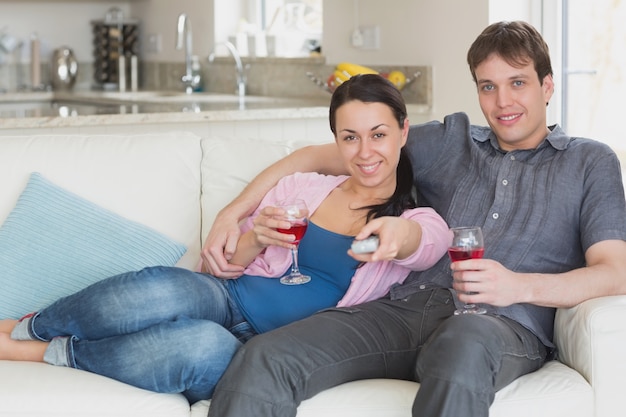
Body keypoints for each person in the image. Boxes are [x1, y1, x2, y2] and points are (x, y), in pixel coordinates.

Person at [202, 20, 626, 417]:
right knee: (268, 354)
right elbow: (315, 156)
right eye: (488, 86)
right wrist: (232, 212)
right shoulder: (449, 142)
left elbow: (616, 272)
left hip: (500, 323)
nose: (503, 102)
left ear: (547, 85)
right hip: (403, 308)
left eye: (518, 83)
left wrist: (519, 285)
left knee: (462, 349)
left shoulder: (590, 162)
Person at [0, 74, 451, 404]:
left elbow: (428, 241)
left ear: (403, 131)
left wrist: (399, 234)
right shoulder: (305, 188)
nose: (365, 152)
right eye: (350, 137)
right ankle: (30, 324)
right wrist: (255, 235)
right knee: (160, 288)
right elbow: (223, 263)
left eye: (378, 135)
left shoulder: (415, 216)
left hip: (261, 350)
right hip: (228, 296)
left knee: (197, 345)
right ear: (336, 139)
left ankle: (49, 352)